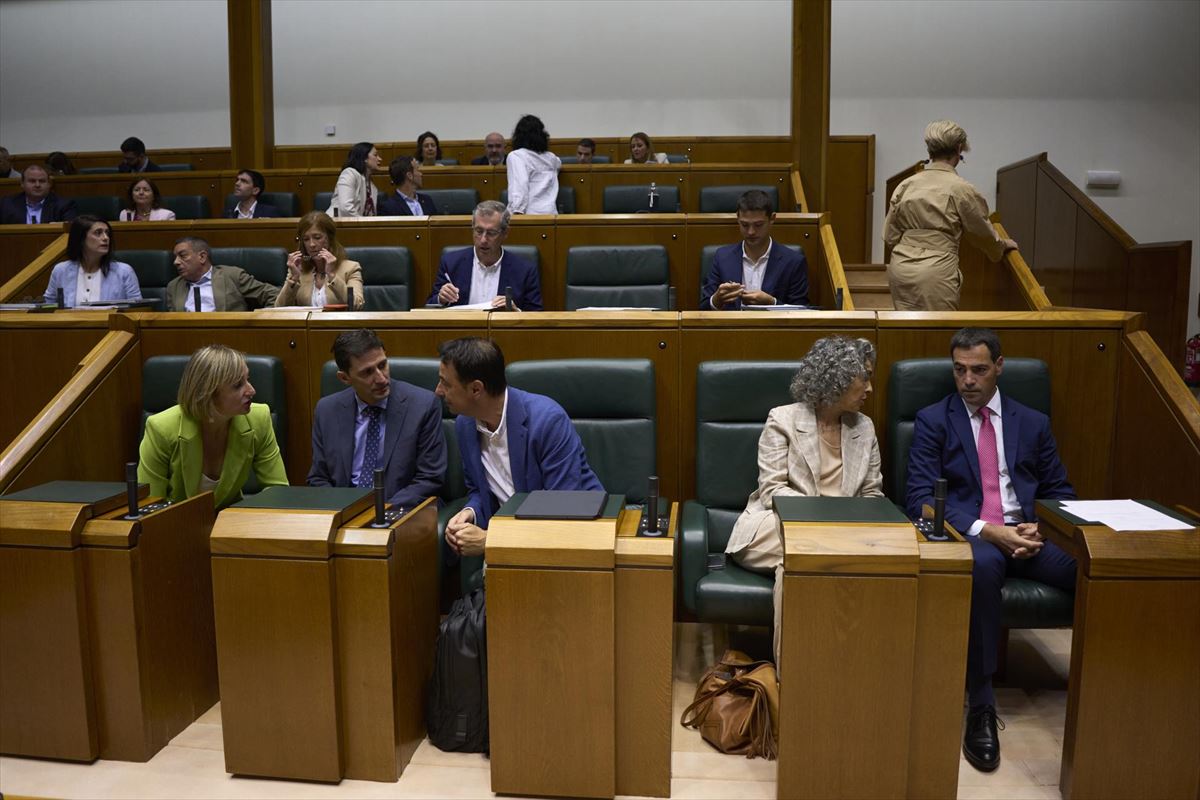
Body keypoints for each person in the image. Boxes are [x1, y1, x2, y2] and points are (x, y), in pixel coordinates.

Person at [905, 327, 1077, 773]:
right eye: (959, 370)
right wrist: (989, 530)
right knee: (979, 570)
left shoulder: (1032, 422)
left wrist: (1040, 525)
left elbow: (1061, 492)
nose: (968, 380)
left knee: (1095, 570)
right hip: (974, 535)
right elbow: (919, 497)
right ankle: (980, 704)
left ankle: (1103, 690)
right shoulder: (933, 420)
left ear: (999, 367)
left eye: (979, 370)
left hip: (1029, 533)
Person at [726, 336, 880, 662]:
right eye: (864, 377)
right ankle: (792, 677)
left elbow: (872, 494)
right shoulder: (782, 420)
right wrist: (827, 522)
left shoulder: (863, 428)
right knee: (801, 553)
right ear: (837, 378)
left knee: (801, 561)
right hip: (776, 525)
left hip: (842, 535)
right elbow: (772, 489)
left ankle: (840, 666)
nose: (870, 389)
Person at [437, 337, 603, 555]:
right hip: (515, 543)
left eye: (446, 383)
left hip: (576, 538)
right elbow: (479, 490)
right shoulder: (465, 424)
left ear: (476, 389)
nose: (438, 390)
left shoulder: (548, 420)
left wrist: (492, 540)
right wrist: (470, 513)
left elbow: (562, 510)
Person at [883, 120, 1017, 311]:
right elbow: (982, 232)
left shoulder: (906, 184)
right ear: (959, 148)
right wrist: (1001, 245)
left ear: (929, 150)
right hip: (936, 269)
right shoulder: (961, 189)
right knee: (938, 332)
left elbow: (890, 235)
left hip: (900, 267)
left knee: (905, 332)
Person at [138, 344, 288, 510]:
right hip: (177, 526)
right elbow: (149, 505)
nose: (251, 390)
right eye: (238, 385)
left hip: (232, 525)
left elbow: (277, 489)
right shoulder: (161, 428)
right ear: (207, 394)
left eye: (248, 379)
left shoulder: (259, 418)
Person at [309, 329, 446, 510]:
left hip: (402, 510)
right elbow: (319, 478)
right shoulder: (327, 410)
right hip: (344, 510)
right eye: (367, 373)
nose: (381, 379)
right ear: (345, 378)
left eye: (382, 365)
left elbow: (430, 478)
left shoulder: (423, 405)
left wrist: (380, 510)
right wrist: (342, 510)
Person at [701, 189, 810, 309]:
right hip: (732, 327)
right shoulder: (722, 257)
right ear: (737, 218)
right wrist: (717, 299)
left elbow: (801, 312)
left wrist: (772, 303)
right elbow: (703, 308)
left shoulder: (793, 262)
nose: (751, 232)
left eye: (758, 225)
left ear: (772, 219)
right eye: (745, 225)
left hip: (773, 327)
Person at [426, 201, 542, 311]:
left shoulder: (524, 270)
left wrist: (516, 311)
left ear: (505, 233)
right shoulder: (451, 263)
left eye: (491, 233)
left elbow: (536, 316)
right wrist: (441, 299)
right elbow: (429, 307)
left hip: (503, 331)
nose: (483, 240)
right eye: (478, 231)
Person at [42, 215, 142, 307]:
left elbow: (137, 308)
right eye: (98, 233)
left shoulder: (124, 271)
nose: (105, 238)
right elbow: (49, 307)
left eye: (107, 233)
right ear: (80, 238)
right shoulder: (61, 270)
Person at [276, 211, 364, 310]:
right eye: (306, 239)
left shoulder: (351, 268)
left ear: (330, 239)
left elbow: (357, 305)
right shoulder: (299, 271)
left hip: (340, 324)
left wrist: (332, 275)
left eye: (317, 237)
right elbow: (279, 308)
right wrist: (293, 279)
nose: (312, 244)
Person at [166, 236, 279, 311]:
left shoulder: (233, 276)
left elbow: (273, 294)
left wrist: (259, 320)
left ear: (202, 257)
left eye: (183, 256)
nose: (176, 262)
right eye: (175, 257)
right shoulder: (174, 287)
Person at [505, 114, 561, 215]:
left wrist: (516, 211)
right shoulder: (551, 158)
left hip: (527, 215)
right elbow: (558, 164)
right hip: (551, 214)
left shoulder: (516, 156)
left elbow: (520, 186)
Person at [0, 164, 78, 224]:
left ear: (49, 184)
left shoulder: (64, 206)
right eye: (32, 181)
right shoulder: (6, 205)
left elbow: (70, 235)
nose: (37, 185)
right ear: (22, 183)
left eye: (42, 181)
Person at [328, 142, 380, 218]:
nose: (379, 159)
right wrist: (363, 224)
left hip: (356, 225)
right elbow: (346, 208)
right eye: (375, 155)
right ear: (364, 158)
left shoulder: (372, 187)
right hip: (336, 225)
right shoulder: (349, 174)